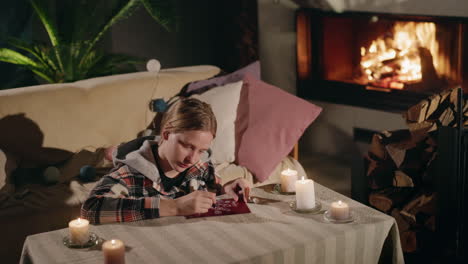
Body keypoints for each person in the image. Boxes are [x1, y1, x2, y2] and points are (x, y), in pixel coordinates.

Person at [81, 98, 251, 224]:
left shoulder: (201, 167)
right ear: (166, 134)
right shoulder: (129, 174)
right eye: (187, 146)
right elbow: (90, 210)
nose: (192, 159)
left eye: (201, 150)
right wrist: (173, 207)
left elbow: (215, 190)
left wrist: (228, 190)